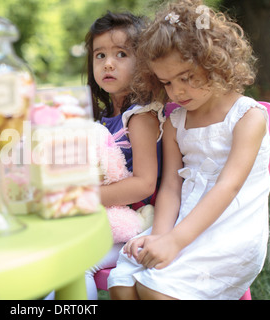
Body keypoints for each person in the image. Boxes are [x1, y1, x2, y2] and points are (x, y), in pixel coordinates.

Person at [108, 0, 270, 300]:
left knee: (153, 289)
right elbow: (171, 185)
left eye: (186, 78)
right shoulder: (176, 122)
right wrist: (160, 235)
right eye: (167, 82)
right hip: (182, 218)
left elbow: (228, 187)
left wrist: (175, 241)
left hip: (231, 231)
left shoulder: (248, 117)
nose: (177, 92)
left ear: (215, 61)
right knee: (123, 284)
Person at [82, 11, 165, 300]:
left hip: (140, 223)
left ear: (143, 62)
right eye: (100, 55)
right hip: (107, 216)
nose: (108, 63)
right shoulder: (104, 118)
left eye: (121, 54)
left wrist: (83, 195)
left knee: (75, 263)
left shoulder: (140, 116)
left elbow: (144, 185)